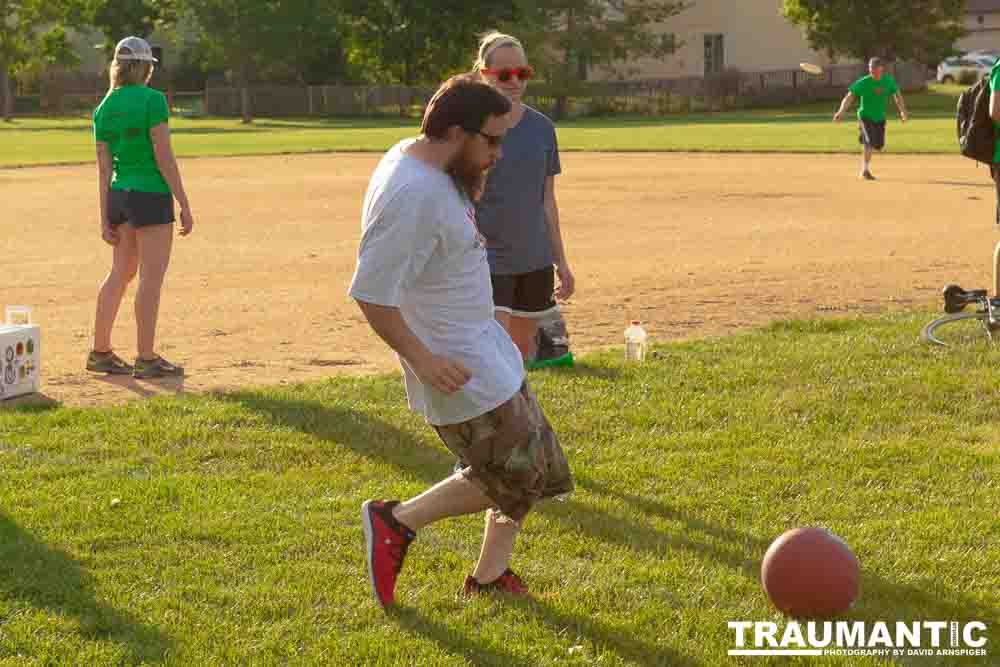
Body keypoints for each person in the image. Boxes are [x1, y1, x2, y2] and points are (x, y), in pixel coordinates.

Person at [349, 74, 574, 607]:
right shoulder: (412, 194)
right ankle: (396, 521)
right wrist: (424, 361)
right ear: (454, 132)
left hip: (485, 349)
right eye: (490, 141)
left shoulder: (424, 159)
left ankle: (490, 576)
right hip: (456, 365)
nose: (497, 153)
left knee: (537, 465)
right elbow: (370, 293)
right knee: (516, 475)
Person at [87, 36, 193, 379]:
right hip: (150, 194)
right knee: (150, 277)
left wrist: (104, 216)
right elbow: (164, 156)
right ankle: (146, 358)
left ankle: (100, 352)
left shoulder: (103, 108)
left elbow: (104, 170)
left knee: (120, 273)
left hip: (119, 195)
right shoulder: (153, 100)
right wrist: (184, 201)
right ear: (145, 67)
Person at [473, 32, 575, 366]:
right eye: (504, 75)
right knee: (494, 359)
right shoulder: (470, 129)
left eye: (522, 73)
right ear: (484, 74)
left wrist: (562, 261)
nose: (514, 81)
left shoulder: (542, 128)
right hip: (488, 258)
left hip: (535, 257)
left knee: (534, 359)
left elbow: (548, 200)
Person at [833, 57, 908, 180]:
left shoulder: (888, 81)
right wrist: (840, 112)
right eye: (870, 69)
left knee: (878, 145)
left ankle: (865, 140)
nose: (871, 71)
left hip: (880, 117)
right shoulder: (864, 82)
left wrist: (902, 111)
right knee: (869, 142)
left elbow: (897, 95)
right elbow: (849, 97)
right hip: (865, 116)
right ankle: (865, 170)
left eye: (874, 68)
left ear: (881, 69)